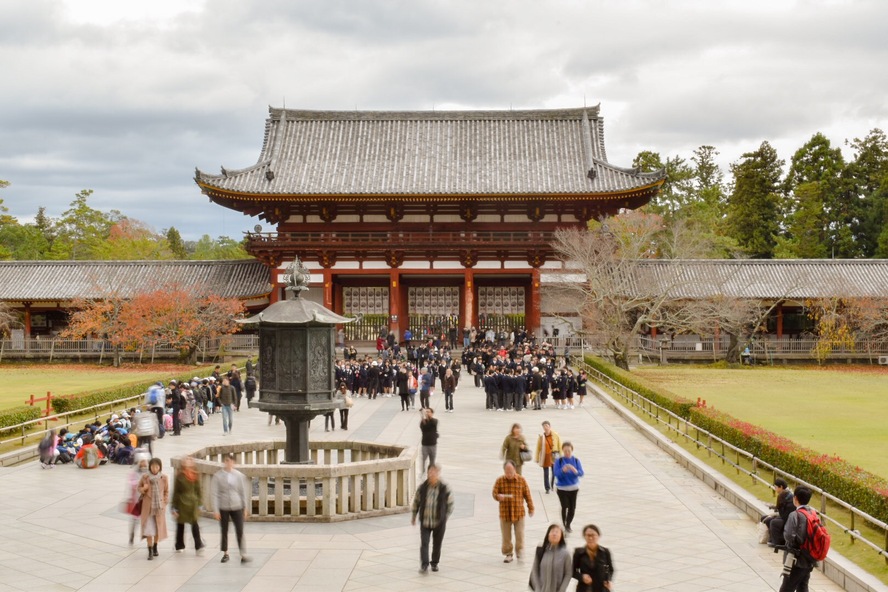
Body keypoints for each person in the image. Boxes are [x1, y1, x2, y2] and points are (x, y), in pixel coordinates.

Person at [411, 464, 454, 574]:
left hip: (439, 522)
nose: (432, 474)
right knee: (424, 543)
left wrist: (446, 516)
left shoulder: (444, 488)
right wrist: (414, 516)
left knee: (437, 544)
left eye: (434, 472)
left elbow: (451, 504)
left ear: (438, 473)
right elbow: (416, 501)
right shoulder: (422, 487)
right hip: (425, 521)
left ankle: (434, 563)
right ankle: (424, 565)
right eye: (430, 472)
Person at [492, 460, 534, 563]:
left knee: (519, 534)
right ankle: (508, 554)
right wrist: (498, 496)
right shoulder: (500, 480)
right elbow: (494, 493)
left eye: (511, 472)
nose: (509, 474)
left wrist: (531, 508)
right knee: (506, 535)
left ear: (515, 470)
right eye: (507, 472)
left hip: (518, 512)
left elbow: (527, 495)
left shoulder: (521, 480)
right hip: (505, 513)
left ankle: (520, 552)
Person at [211, 453, 251, 563]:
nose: (228, 463)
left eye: (230, 461)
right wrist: (216, 510)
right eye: (226, 461)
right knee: (224, 530)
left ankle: (243, 553)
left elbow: (243, 492)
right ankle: (225, 552)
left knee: (240, 529)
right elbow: (215, 494)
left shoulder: (238, 475)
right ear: (224, 461)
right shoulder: (218, 476)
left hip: (236, 505)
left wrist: (245, 507)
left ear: (233, 462)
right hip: (223, 506)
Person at [779, 486, 817, 592]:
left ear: (795, 498)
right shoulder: (812, 513)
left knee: (786, 588)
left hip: (796, 558)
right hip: (809, 557)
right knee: (803, 587)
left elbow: (788, 536)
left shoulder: (795, 515)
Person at [172, 456, 205, 555]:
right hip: (181, 503)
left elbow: (199, 491)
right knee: (180, 525)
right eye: (187, 460)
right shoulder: (179, 476)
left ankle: (198, 545)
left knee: (195, 524)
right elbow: (176, 492)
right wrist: (174, 507)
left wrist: (200, 505)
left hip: (193, 504)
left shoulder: (195, 476)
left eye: (190, 460)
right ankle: (179, 545)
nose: (188, 461)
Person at [138, 458, 169, 560]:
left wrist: (164, 502)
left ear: (160, 467)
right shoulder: (145, 477)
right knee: (148, 530)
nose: (154, 469)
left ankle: (155, 546)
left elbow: (166, 491)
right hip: (148, 508)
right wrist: (144, 488)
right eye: (152, 466)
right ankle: (150, 550)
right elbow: (138, 488)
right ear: (149, 467)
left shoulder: (164, 478)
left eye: (157, 466)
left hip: (159, 508)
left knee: (157, 529)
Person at [529, 524, 572, 592]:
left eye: (557, 532)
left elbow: (568, 573)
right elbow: (535, 570)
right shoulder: (541, 550)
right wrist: (537, 588)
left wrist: (562, 590)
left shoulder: (566, 554)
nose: (554, 534)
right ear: (548, 535)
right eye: (552, 531)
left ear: (561, 536)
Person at [572, 524, 614, 592]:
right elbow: (572, 571)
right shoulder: (578, 553)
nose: (590, 538)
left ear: (598, 536)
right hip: (585, 588)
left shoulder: (605, 552)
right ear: (584, 536)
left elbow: (611, 569)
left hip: (601, 588)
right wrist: (582, 577)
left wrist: (608, 579)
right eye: (588, 535)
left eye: (593, 535)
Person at [553, 442, 584, 533]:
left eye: (569, 451)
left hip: (573, 488)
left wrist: (575, 471)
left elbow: (581, 473)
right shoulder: (559, 461)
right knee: (564, 506)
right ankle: (564, 524)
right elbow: (556, 474)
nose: (567, 452)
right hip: (562, 489)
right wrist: (563, 470)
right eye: (565, 451)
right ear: (562, 450)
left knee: (572, 508)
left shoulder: (576, 461)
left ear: (572, 450)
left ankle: (568, 524)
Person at [763, 478, 794, 546]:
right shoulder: (784, 494)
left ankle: (776, 542)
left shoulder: (788, 495)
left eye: (776, 487)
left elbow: (785, 512)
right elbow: (781, 508)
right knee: (766, 518)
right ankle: (773, 539)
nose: (775, 489)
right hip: (784, 516)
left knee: (773, 521)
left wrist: (775, 514)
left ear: (781, 487)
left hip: (788, 518)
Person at [535, 421, 563, 494]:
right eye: (544, 426)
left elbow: (560, 445)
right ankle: (547, 488)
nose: (545, 427)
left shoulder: (555, 435)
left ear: (550, 426)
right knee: (546, 473)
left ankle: (552, 484)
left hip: (554, 455)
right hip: (545, 456)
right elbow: (538, 448)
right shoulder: (541, 437)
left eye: (547, 426)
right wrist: (537, 458)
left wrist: (562, 456)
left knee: (554, 472)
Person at [419, 408, 439, 474]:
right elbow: (424, 427)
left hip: (433, 445)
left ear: (432, 413)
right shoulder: (422, 422)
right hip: (425, 445)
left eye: (429, 412)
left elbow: (431, 425)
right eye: (426, 412)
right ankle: (423, 472)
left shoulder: (435, 421)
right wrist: (422, 416)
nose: (427, 413)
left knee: (432, 461)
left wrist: (427, 417)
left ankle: (430, 473)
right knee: (423, 460)